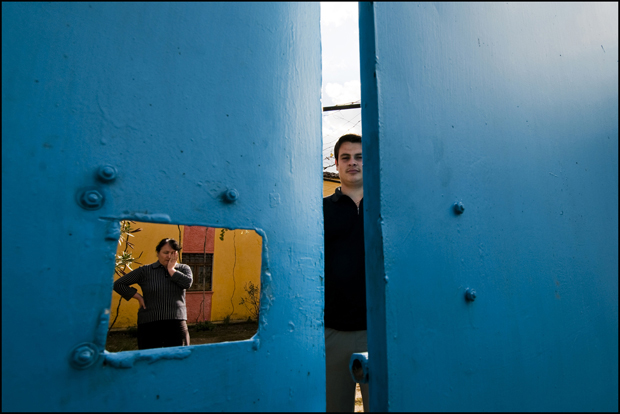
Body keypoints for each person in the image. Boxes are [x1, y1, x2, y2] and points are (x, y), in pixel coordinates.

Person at [323, 133, 369, 412]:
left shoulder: (385, 208)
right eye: (346, 157)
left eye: (360, 157)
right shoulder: (320, 209)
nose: (353, 162)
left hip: (377, 331)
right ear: (337, 164)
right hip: (332, 330)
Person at [113, 238, 193, 350]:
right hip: (149, 324)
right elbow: (118, 284)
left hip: (176, 323)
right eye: (165, 253)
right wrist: (138, 297)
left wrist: (171, 270)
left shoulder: (183, 269)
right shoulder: (145, 271)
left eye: (172, 253)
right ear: (157, 253)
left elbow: (187, 283)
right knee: (150, 361)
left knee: (177, 360)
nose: (169, 256)